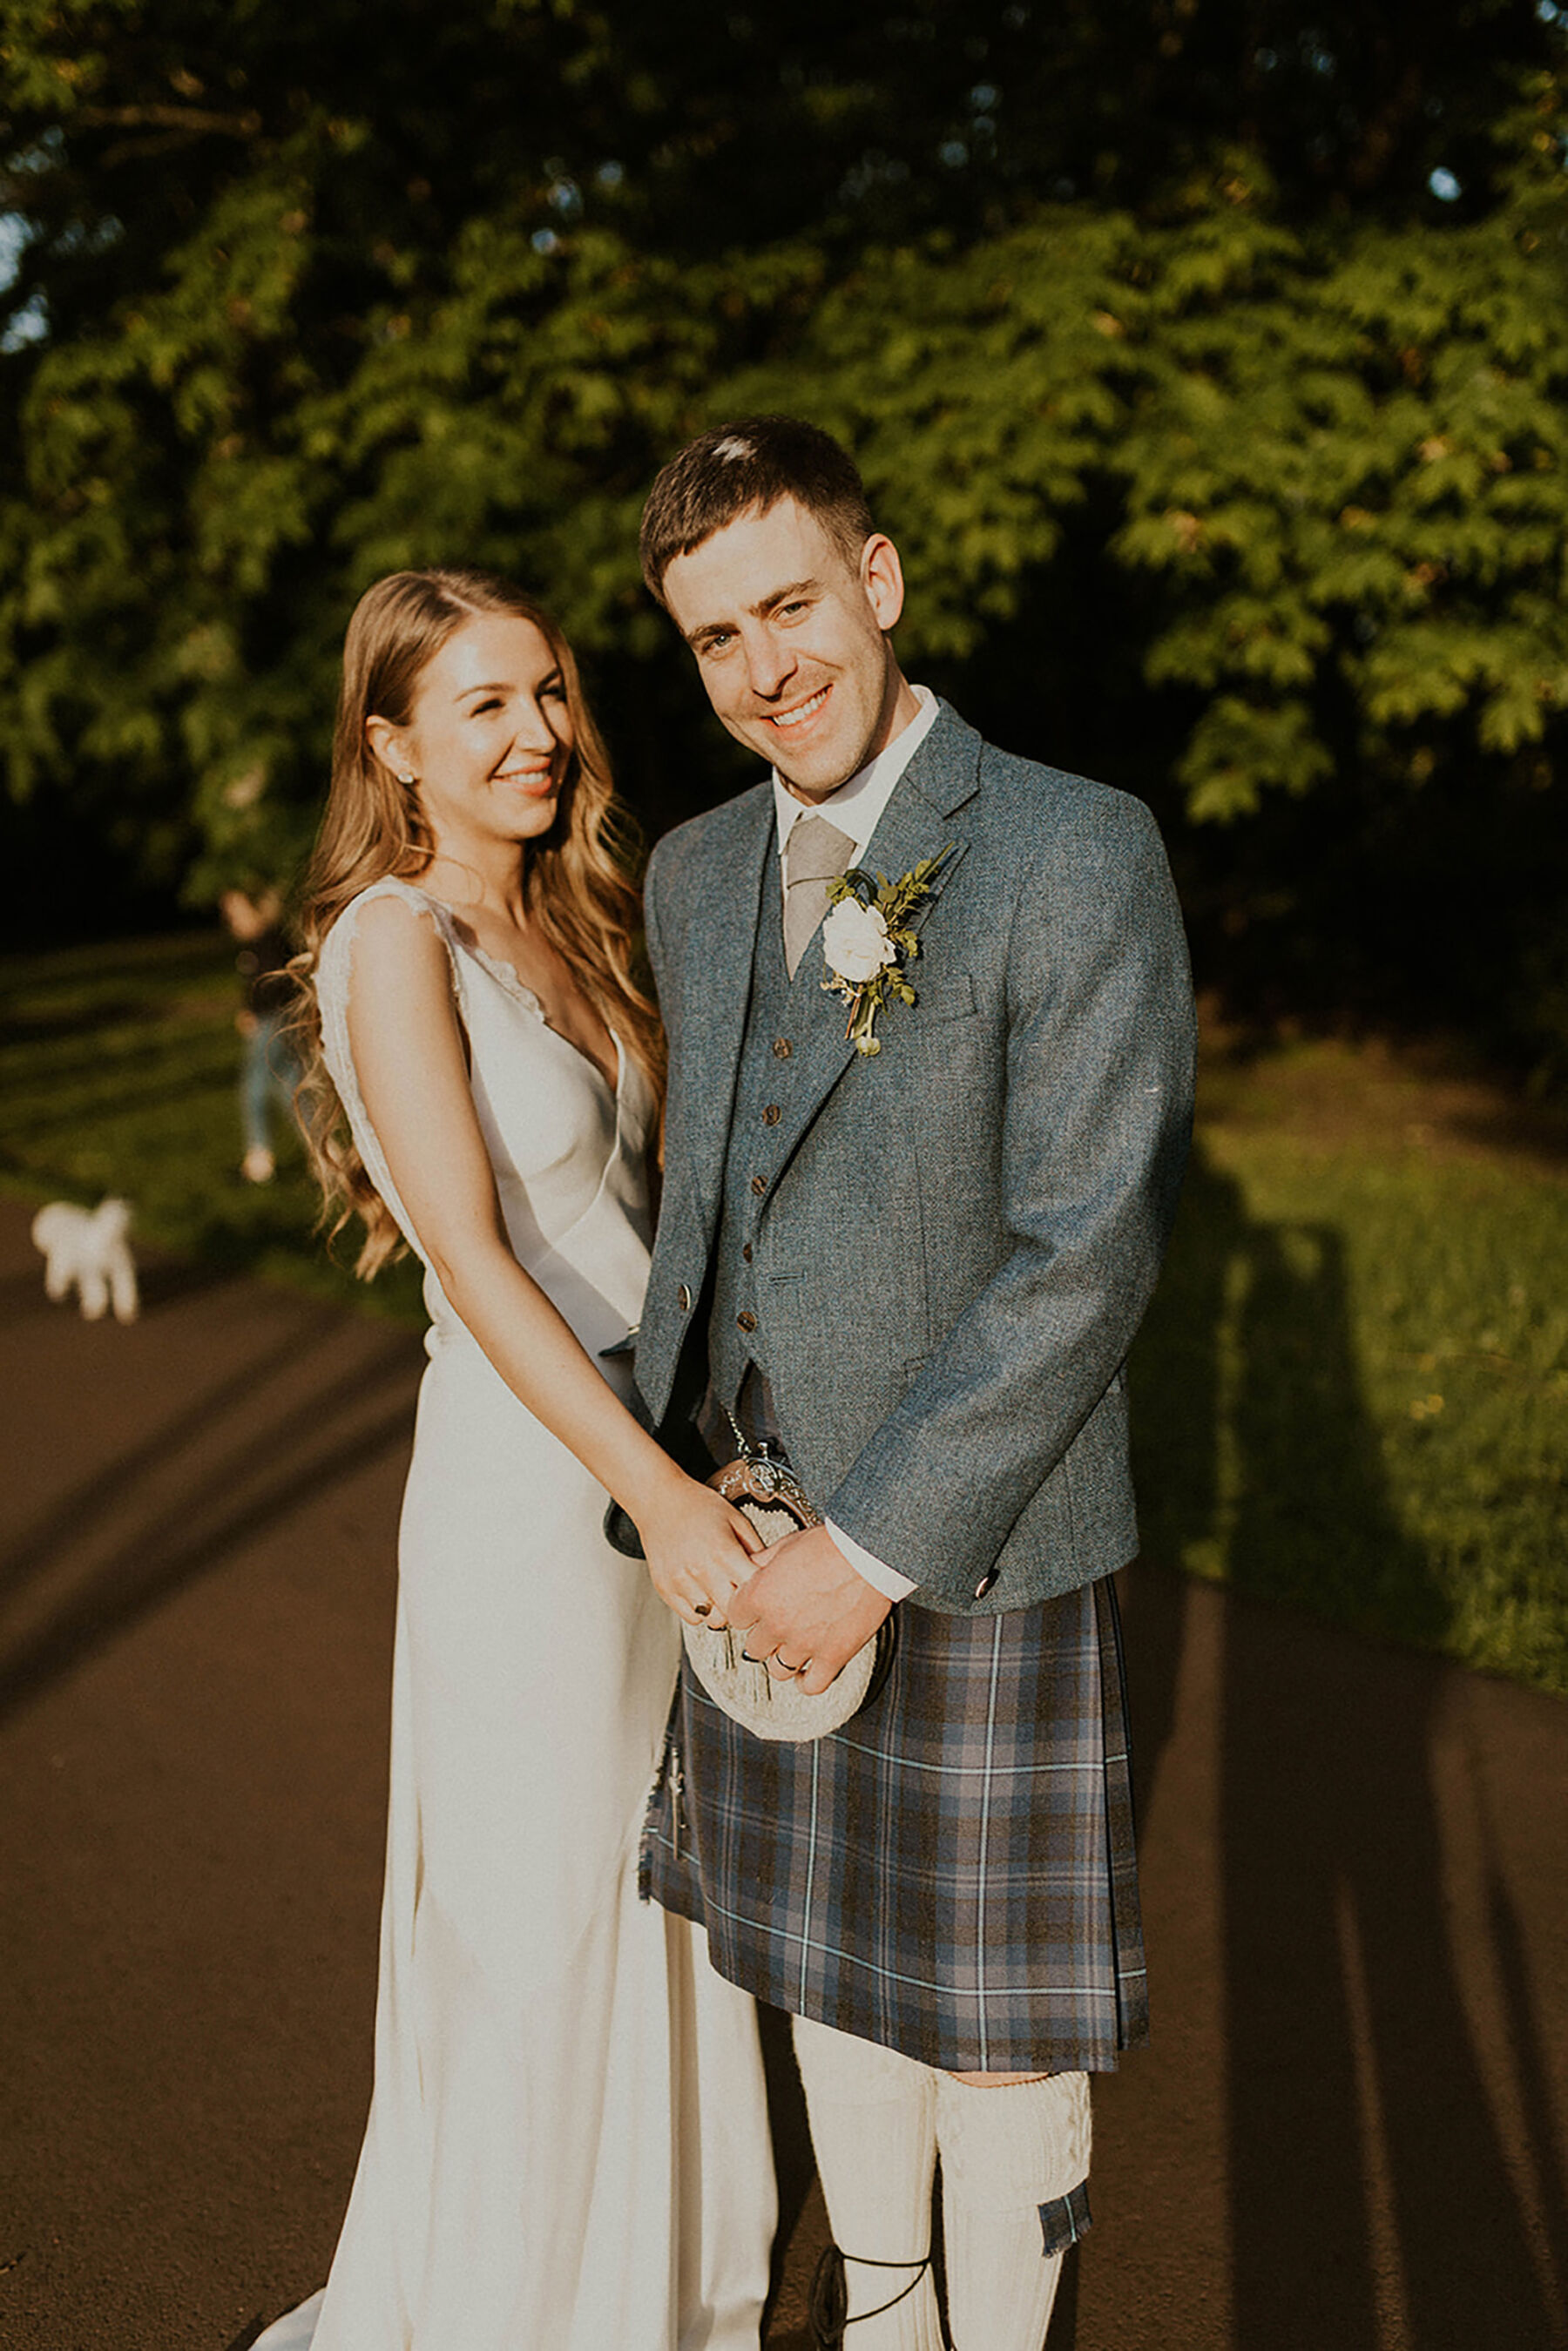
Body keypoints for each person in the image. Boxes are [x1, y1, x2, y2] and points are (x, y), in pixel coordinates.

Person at [625, 419, 1196, 2351]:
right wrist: (655, 1472)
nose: (764, 666)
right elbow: (697, 1203)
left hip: (972, 1544)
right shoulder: (696, 873)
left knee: (997, 2022)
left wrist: (862, 1548)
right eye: (714, 637)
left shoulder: (1070, 840)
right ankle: (879, 2314)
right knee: (825, 1969)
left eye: (789, 603)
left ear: (878, 579)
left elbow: (1090, 1243)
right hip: (751, 1524)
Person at [254, 567, 775, 2351]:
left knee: (665, 1901)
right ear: (390, 742)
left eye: (546, 691)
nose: (539, 733)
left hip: (658, 1457)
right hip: (542, 1494)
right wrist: (651, 1486)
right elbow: (475, 1262)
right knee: (540, 1913)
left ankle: (650, 2296)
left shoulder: (578, 911)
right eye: (482, 704)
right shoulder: (392, 942)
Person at [220, 886, 301, 1183]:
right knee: (291, 1083)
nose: (232, 921)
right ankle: (327, 1153)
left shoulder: (271, 943)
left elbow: (275, 984)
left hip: (274, 1021)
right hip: (275, 1020)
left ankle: (259, 1159)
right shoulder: (257, 944)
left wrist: (256, 1013)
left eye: (236, 912)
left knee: (254, 1085)